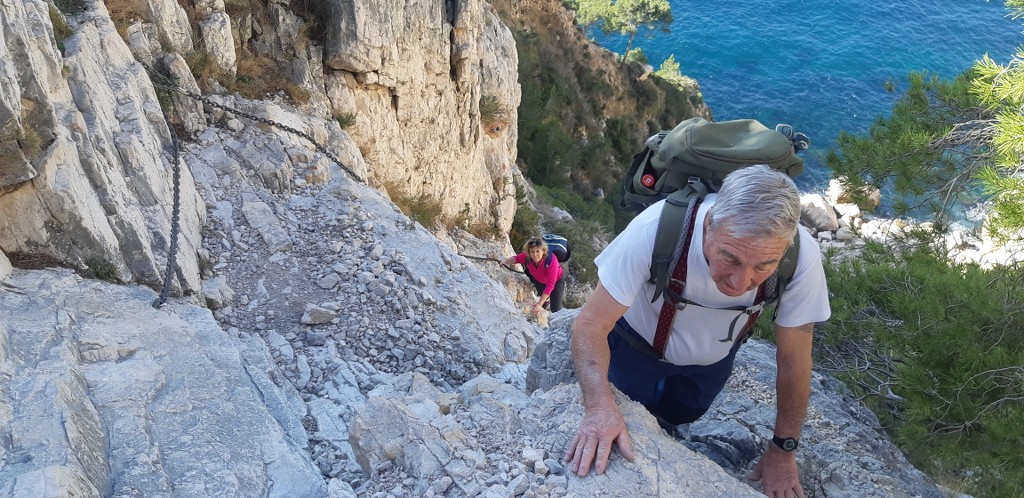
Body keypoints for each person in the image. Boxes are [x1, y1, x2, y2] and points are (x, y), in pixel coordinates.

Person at [562, 165, 831, 497]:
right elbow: (591, 323)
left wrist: (783, 450)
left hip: (711, 363)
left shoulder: (801, 256)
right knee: (630, 407)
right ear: (708, 226)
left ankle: (667, 429)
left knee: (686, 411)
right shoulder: (656, 230)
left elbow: (794, 360)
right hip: (636, 348)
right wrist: (599, 406)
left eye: (763, 266)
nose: (740, 283)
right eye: (729, 258)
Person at [502, 237, 566, 313]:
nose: (535, 255)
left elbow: (550, 285)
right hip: (539, 280)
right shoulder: (527, 257)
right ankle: (545, 301)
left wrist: (539, 304)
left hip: (556, 281)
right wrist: (505, 261)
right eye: (532, 251)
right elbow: (516, 259)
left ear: (543, 251)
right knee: (542, 298)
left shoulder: (551, 261)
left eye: (538, 251)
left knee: (556, 309)